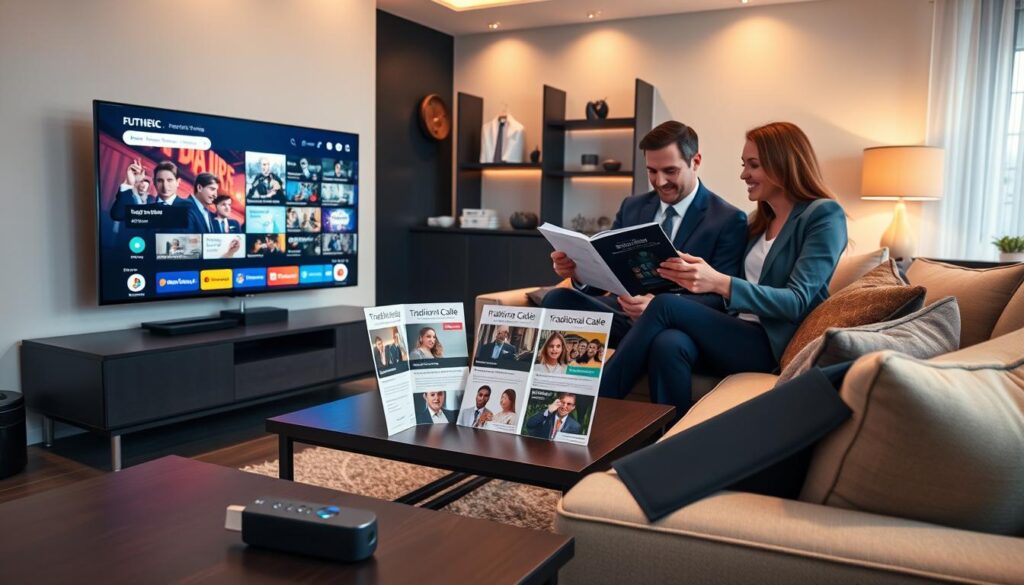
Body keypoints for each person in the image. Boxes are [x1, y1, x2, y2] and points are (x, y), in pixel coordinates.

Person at [598, 122, 848, 416]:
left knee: (665, 305)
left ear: (783, 164)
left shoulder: (823, 215)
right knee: (669, 343)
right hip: (731, 331)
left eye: (753, 165)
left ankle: (594, 405)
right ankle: (669, 442)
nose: (743, 174)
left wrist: (719, 282)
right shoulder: (760, 221)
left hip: (767, 342)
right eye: (744, 165)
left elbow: (797, 301)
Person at [542, 121, 749, 348]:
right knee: (556, 298)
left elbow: (721, 299)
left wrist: (658, 306)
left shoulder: (728, 219)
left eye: (670, 171)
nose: (659, 182)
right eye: (652, 171)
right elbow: (606, 274)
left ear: (695, 162)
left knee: (668, 342)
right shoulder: (632, 206)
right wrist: (579, 273)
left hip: (673, 325)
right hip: (623, 314)